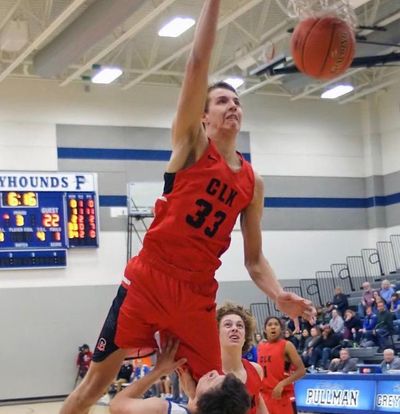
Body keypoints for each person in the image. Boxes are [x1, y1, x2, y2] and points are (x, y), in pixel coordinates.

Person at [60, 2, 315, 413]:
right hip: (149, 280)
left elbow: (254, 260)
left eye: (236, 101)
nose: (232, 105)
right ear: (203, 117)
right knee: (93, 388)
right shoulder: (192, 146)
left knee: (222, 399)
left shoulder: (253, 183)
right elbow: (198, 61)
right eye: (220, 101)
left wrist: (278, 292)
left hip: (197, 294)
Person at [110, 337, 251, 414]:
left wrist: (157, 372)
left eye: (213, 379)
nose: (213, 373)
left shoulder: (161, 409)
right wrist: (193, 397)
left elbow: (116, 405)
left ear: (206, 400)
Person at [217, 302, 268, 414]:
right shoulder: (209, 374)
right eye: (228, 325)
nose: (235, 328)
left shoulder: (256, 370)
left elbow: (258, 404)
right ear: (217, 333)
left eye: (240, 325)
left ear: (245, 336)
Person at [258, 316, 306, 414]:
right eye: (270, 325)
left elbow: (301, 371)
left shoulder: (287, 345)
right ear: (265, 329)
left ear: (281, 329)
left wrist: (282, 384)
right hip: (265, 397)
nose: (273, 327)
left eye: (276, 324)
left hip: (283, 396)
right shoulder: (261, 346)